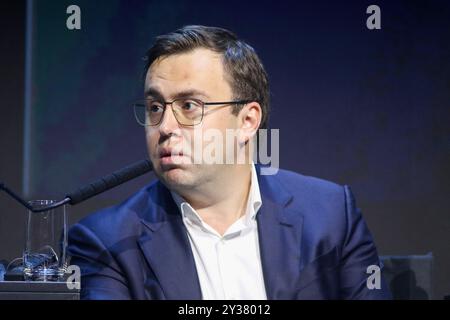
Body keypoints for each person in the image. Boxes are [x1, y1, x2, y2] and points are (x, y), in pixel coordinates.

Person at [68, 25, 391, 300]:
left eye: (189, 105)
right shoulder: (107, 240)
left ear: (248, 120)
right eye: (155, 107)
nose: (164, 127)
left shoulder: (332, 215)